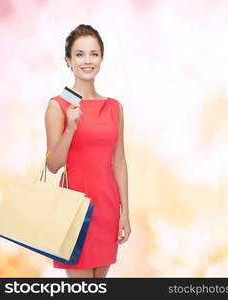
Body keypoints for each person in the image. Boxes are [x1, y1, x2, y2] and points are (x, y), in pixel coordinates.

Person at [44, 24, 131, 278]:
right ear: (68, 61)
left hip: (107, 207)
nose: (87, 60)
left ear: (101, 58)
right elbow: (52, 165)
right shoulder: (57, 106)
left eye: (93, 54)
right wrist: (70, 129)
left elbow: (120, 161)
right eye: (79, 54)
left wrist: (125, 212)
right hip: (75, 208)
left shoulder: (115, 107)